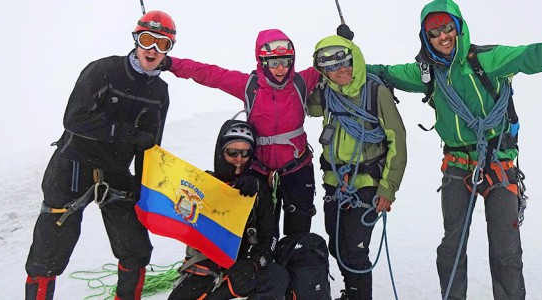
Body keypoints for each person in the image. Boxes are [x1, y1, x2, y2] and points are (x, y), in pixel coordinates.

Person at [360, 0, 542, 299]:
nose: (442, 36)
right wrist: (345, 60)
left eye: (447, 28)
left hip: (497, 163)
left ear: (458, 28)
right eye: (433, 32)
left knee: (505, 249)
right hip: (456, 164)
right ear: (424, 37)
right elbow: (385, 73)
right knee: (451, 246)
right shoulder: (426, 74)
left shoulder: (487, 60)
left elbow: (535, 55)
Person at [24, 10, 177, 300]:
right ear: (136, 40)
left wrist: (144, 186)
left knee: (135, 250)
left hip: (116, 171)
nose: (153, 50)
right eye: (147, 40)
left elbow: (150, 145)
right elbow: (74, 119)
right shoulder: (104, 70)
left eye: (163, 44)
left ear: (169, 50)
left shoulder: (159, 91)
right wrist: (127, 134)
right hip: (73, 164)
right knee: (49, 252)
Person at [163, 29, 322, 237]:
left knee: (299, 234)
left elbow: (333, 64)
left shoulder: (301, 82)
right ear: (262, 62)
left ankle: (297, 267)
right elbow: (209, 73)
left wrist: (346, 44)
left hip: (297, 170)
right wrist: (171, 64)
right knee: (265, 232)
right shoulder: (250, 86)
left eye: (286, 61)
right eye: (273, 63)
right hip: (260, 172)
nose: (281, 68)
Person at [307, 35, 407, 300]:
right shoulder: (326, 93)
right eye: (330, 67)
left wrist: (388, 188)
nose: (341, 71)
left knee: (354, 249)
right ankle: (351, 292)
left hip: (368, 184)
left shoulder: (375, 93)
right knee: (336, 244)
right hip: (334, 181)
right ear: (322, 70)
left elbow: (397, 138)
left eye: (345, 63)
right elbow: (304, 105)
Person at [168, 119, 288, 300]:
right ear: (220, 152)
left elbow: (270, 235)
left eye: (245, 153)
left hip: (243, 265)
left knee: (276, 276)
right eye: (232, 152)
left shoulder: (258, 189)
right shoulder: (204, 184)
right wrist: (226, 192)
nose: (239, 159)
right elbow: (182, 219)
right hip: (207, 265)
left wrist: (254, 263)